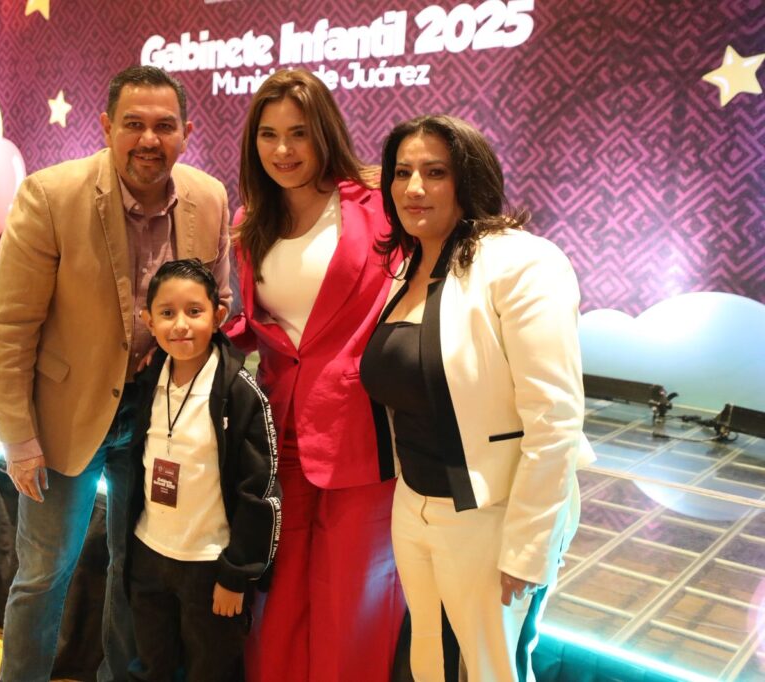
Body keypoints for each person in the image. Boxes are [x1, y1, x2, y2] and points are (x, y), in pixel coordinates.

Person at [0, 66, 232, 682]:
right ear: (106, 127)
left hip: (159, 420)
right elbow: (11, 327)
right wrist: (19, 438)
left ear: (186, 133)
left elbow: (220, 302)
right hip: (65, 417)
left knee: (135, 568)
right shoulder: (50, 195)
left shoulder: (208, 199)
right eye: (134, 124)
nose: (149, 139)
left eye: (165, 126)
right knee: (44, 572)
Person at [360, 114, 595, 681]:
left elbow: (555, 418)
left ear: (469, 178)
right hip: (415, 503)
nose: (414, 188)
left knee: (491, 670)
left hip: (493, 512)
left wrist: (528, 545)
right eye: (402, 173)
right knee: (431, 660)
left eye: (435, 172)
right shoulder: (409, 266)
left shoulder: (523, 261)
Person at [226, 68, 405, 682]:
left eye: (298, 133)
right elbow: (264, 324)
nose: (283, 150)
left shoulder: (377, 207)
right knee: (276, 590)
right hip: (278, 429)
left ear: (324, 132)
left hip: (362, 429)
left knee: (353, 594)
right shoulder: (252, 222)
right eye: (269, 134)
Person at [124, 259, 280, 682]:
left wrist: (237, 575)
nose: (180, 325)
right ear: (148, 321)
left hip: (209, 564)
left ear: (218, 316)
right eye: (167, 313)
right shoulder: (148, 380)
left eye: (194, 311)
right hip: (149, 553)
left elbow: (259, 491)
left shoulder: (240, 393)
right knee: (151, 666)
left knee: (211, 670)